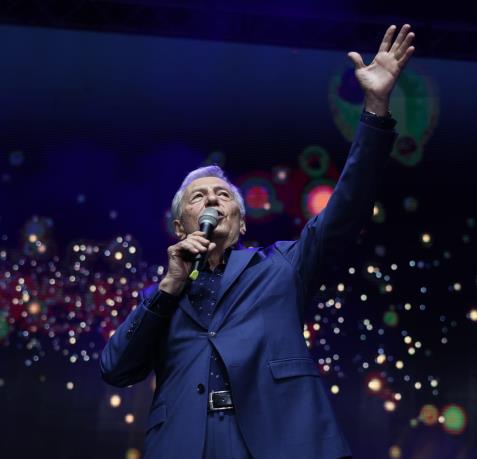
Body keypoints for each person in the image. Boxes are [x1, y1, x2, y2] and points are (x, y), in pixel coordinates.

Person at [101, 24, 416, 459]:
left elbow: (348, 206)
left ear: (241, 224)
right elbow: (115, 369)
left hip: (278, 442)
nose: (213, 199)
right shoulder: (160, 299)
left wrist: (376, 108)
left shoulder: (281, 265)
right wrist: (169, 287)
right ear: (179, 226)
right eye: (198, 197)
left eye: (223, 195)